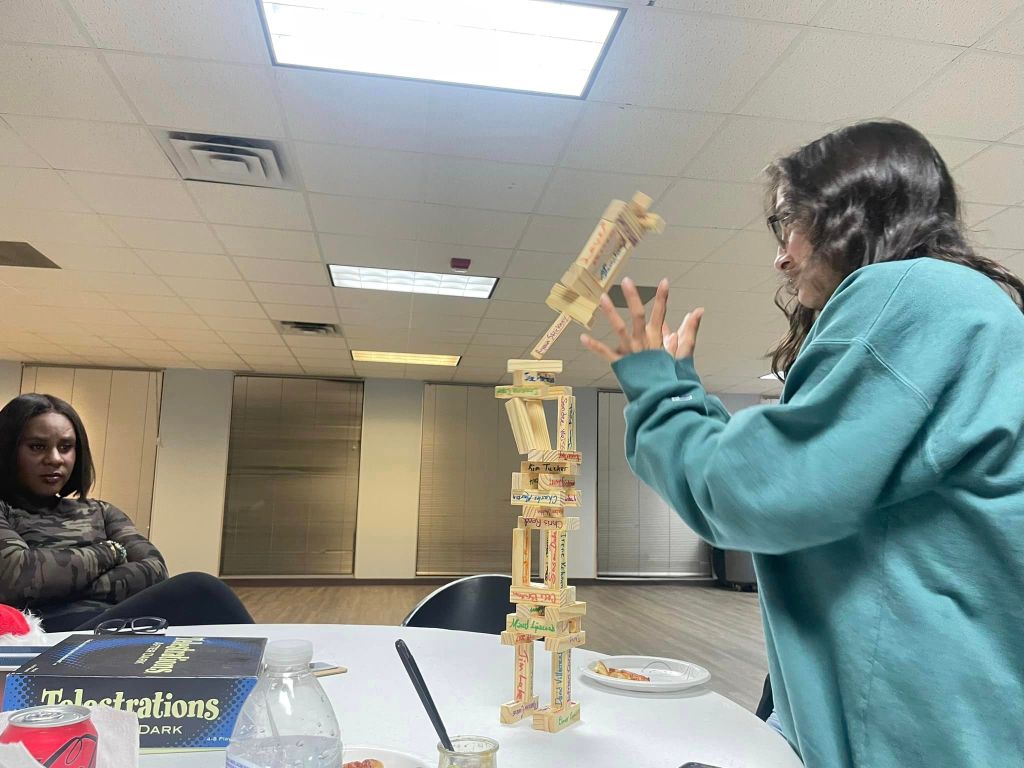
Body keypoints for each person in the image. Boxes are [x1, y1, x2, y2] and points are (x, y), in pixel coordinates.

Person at [581, 120, 1024, 768]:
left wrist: (656, 395)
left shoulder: (909, 294)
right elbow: (799, 467)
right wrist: (682, 396)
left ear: (847, 215)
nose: (782, 258)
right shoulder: (965, 308)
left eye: (792, 224)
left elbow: (757, 491)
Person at [0, 393, 253, 631]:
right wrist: (112, 551)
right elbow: (19, 578)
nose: (55, 458)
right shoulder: (5, 510)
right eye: (37, 447)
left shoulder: (101, 511)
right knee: (200, 588)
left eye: (66, 447)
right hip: (46, 636)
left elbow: (154, 571)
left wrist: (59, 583)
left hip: (119, 625)